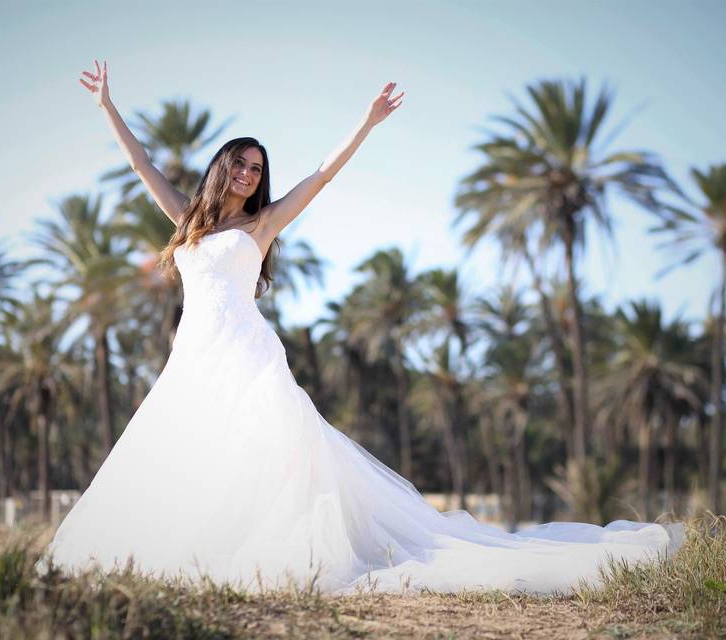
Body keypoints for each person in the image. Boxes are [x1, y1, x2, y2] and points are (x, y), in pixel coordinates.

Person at [40, 59, 684, 596]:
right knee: (184, 454)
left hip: (246, 355)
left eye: (258, 169)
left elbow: (322, 174)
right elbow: (142, 165)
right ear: (221, 165)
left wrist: (367, 123)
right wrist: (106, 107)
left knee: (267, 460)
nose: (249, 175)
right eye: (241, 163)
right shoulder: (187, 222)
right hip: (192, 361)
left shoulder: (260, 227)